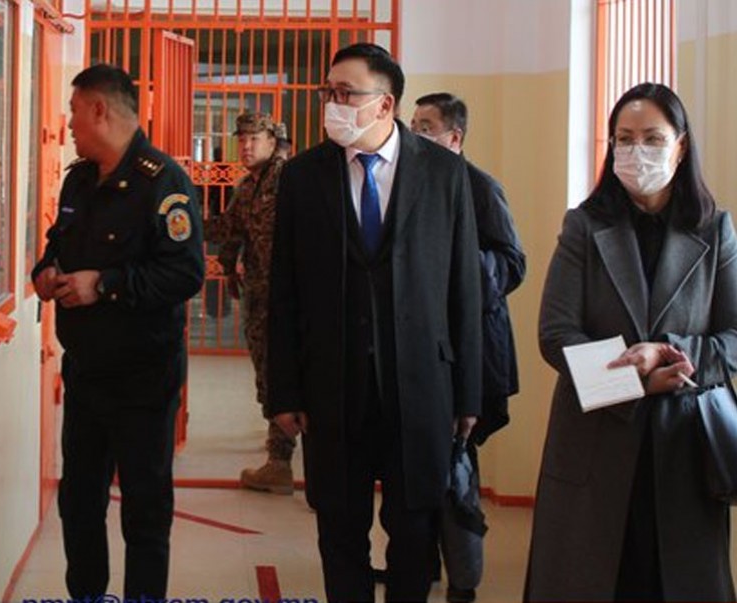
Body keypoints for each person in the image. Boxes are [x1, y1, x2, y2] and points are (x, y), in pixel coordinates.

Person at [267, 43, 483, 603]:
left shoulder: (444, 173)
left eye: (346, 93)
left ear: (385, 104)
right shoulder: (303, 177)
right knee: (340, 532)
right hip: (332, 387)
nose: (332, 103)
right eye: (329, 92)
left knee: (414, 534)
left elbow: (464, 287)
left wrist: (469, 394)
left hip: (421, 387)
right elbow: (282, 291)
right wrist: (282, 390)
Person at [525, 82, 737, 602]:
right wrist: (637, 378)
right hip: (595, 435)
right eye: (624, 138)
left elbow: (734, 337)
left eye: (652, 138)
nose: (636, 151)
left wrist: (665, 351)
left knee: (676, 582)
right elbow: (556, 334)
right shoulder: (584, 225)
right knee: (593, 579)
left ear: (680, 146)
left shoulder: (715, 230)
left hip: (684, 440)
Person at [31, 64, 204, 600]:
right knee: (79, 503)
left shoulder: (164, 182)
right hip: (86, 376)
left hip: (143, 379)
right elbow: (57, 245)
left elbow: (185, 274)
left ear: (99, 110)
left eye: (74, 111)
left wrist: (103, 284)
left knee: (145, 512)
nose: (69, 123)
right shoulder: (80, 179)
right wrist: (45, 273)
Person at [411, 92, 526, 603]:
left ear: (454, 137)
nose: (415, 135)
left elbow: (512, 264)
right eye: (412, 125)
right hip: (424, 350)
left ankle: (463, 577)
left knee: (457, 466)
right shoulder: (411, 185)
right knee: (421, 464)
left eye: (426, 127)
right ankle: (422, 565)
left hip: (473, 351)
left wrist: (455, 265)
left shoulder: (481, 188)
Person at [204, 112, 295, 494]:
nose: (245, 146)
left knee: (281, 372)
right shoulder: (248, 187)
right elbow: (231, 228)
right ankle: (280, 444)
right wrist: (225, 264)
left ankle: (280, 463)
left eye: (254, 139)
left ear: (273, 143)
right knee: (268, 370)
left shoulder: (288, 180)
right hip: (261, 296)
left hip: (289, 298)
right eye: (241, 139)